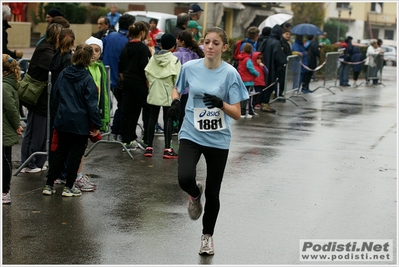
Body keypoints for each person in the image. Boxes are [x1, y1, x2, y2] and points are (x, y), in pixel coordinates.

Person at [167, 27, 249, 255]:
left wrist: (220, 104)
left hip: (218, 139)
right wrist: (175, 102)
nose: (210, 46)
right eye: (207, 42)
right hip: (191, 133)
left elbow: (237, 113)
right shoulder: (190, 67)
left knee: (213, 193)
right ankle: (194, 194)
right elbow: (177, 88)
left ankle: (207, 237)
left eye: (215, 43)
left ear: (224, 47)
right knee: (184, 178)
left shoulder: (230, 73)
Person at [42, 44, 102, 197]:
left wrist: (59, 114)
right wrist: (96, 124)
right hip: (80, 121)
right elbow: (91, 105)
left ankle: (49, 184)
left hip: (63, 118)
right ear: (89, 59)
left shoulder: (63, 74)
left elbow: (55, 96)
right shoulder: (87, 79)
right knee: (76, 154)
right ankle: (69, 186)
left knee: (60, 151)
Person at [20, 23, 63, 173]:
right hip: (37, 97)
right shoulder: (45, 49)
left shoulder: (49, 48)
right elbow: (55, 65)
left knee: (43, 131)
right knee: (35, 131)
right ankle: (28, 163)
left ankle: (37, 162)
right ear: (57, 36)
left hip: (43, 97)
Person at [144, 33, 181, 158]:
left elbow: (147, 72)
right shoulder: (174, 59)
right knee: (168, 119)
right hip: (168, 91)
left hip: (154, 90)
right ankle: (167, 148)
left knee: (152, 118)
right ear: (173, 46)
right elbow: (178, 78)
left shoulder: (154, 58)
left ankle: (149, 147)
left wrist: (154, 82)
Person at [118, 21, 152, 150]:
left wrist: (124, 78)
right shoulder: (143, 48)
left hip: (127, 81)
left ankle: (127, 139)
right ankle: (147, 139)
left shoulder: (126, 46)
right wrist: (147, 82)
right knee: (148, 109)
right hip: (139, 82)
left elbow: (120, 65)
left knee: (128, 110)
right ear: (142, 33)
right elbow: (145, 67)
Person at [48, 28, 75, 184]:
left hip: (55, 101)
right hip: (65, 103)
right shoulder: (69, 60)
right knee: (65, 141)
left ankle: (54, 170)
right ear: (72, 42)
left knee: (54, 138)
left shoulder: (55, 57)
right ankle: (63, 172)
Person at [102, 14, 135, 141]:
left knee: (119, 105)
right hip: (121, 79)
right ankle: (117, 130)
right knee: (123, 106)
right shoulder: (129, 41)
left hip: (106, 76)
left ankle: (115, 130)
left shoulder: (110, 36)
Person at [173, 30, 205, 132]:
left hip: (179, 87)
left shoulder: (176, 55)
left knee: (177, 108)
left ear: (182, 42)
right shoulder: (196, 54)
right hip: (193, 87)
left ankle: (176, 127)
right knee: (188, 110)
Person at [2, 54, 24, 204]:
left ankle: (5, 191)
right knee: (5, 158)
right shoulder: (9, 84)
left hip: (5, 128)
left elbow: (11, 108)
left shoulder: (4, 86)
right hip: (6, 127)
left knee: (5, 160)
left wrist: (17, 125)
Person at [258, 24, 286, 113]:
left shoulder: (266, 40)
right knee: (270, 85)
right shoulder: (276, 43)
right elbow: (278, 57)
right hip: (272, 67)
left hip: (263, 66)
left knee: (263, 85)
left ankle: (261, 103)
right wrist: (283, 62)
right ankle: (265, 104)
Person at [237, 43, 259, 118]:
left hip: (242, 80)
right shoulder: (248, 59)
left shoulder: (241, 58)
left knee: (242, 97)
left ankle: (241, 112)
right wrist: (257, 73)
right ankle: (245, 112)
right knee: (248, 97)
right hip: (248, 81)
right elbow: (251, 69)